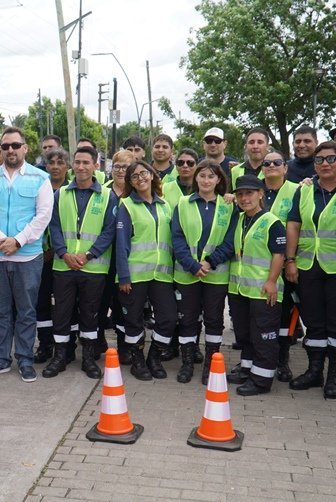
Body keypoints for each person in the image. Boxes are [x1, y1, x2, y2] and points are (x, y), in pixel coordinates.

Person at [0, 127, 53, 382]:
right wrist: (0, 240)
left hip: (27, 257)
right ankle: (0, 359)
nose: (10, 150)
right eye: (6, 146)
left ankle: (25, 359)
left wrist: (18, 241)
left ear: (25, 148)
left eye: (15, 145)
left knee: (27, 311)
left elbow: (43, 216)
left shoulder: (40, 178)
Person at [285, 141, 336, 399]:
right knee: (313, 322)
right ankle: (314, 371)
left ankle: (335, 375)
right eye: (319, 160)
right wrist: (290, 260)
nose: (324, 164)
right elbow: (293, 225)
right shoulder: (304, 190)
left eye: (330, 159)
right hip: (307, 265)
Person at [44, 146, 117, 379]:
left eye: (86, 162)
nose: (81, 167)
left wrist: (88, 255)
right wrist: (64, 253)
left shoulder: (107, 195)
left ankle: (88, 358)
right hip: (63, 266)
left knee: (90, 314)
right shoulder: (61, 194)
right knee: (62, 314)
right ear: (72, 165)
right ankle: (60, 356)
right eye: (77, 162)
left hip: (93, 267)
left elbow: (109, 231)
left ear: (96, 165)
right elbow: (53, 226)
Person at [171, 160, 236, 384]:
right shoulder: (182, 203)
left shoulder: (228, 206)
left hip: (215, 275)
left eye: (211, 176)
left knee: (214, 320)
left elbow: (230, 240)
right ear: (196, 178)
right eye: (202, 176)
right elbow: (177, 238)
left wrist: (209, 262)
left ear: (219, 180)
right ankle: (188, 363)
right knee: (187, 320)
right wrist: (192, 264)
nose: (206, 180)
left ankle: (211, 364)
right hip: (187, 274)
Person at [225, 176, 286, 396]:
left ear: (261, 193)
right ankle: (247, 369)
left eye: (249, 193)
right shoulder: (239, 219)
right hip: (240, 289)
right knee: (245, 333)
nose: (244, 198)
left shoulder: (272, 222)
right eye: (240, 194)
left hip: (263, 290)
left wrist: (271, 281)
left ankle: (261, 380)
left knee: (263, 336)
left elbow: (279, 254)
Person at [116, 161, 177, 381]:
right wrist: (123, 275)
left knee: (169, 318)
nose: (140, 178)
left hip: (162, 274)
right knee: (133, 320)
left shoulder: (165, 205)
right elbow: (121, 243)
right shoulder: (127, 205)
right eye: (134, 176)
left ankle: (154, 356)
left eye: (144, 173)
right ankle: (137, 359)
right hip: (134, 275)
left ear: (152, 175)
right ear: (130, 182)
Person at [260, 151, 299, 383]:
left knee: (284, 314)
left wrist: (291, 260)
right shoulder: (253, 190)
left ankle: (282, 360)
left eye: (276, 162)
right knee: (262, 314)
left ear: (285, 167)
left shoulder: (298, 190)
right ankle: (261, 357)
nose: (271, 166)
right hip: (257, 266)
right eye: (267, 163)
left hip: (285, 263)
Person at [35, 148, 72, 363]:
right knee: (41, 302)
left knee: (65, 304)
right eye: (52, 163)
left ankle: (67, 346)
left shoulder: (72, 190)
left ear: (67, 166)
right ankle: (45, 344)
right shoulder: (39, 188)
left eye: (61, 162)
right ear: (46, 166)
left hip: (65, 257)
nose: (56, 166)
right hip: (39, 256)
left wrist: (57, 249)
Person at [97, 150, 134, 364]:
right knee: (99, 304)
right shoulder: (102, 192)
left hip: (128, 261)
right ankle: (98, 341)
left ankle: (124, 346)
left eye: (126, 167)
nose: (121, 171)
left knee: (123, 307)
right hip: (103, 259)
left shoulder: (137, 192)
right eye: (118, 166)